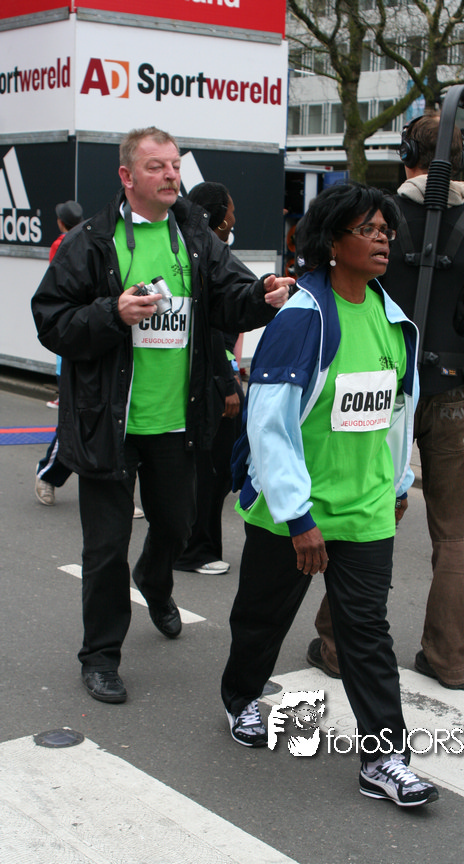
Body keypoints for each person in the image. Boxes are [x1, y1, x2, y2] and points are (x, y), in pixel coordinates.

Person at [31, 126, 292, 704]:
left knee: (177, 526)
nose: (172, 175)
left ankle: (153, 577)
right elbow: (51, 320)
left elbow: (231, 299)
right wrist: (112, 313)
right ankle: (101, 656)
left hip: (178, 422)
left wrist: (264, 295)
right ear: (127, 177)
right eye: (157, 167)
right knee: (106, 548)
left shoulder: (194, 235)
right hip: (110, 424)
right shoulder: (93, 242)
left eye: (174, 165)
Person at [307, 112, 464, 690]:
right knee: (456, 531)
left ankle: (339, 646)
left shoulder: (378, 218)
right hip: (453, 389)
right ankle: (448, 659)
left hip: (380, 381)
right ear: (462, 163)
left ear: (404, 156)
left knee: (364, 512)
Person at [222, 182, 440, 808]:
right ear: (332, 242)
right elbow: (269, 426)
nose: (383, 239)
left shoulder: (393, 320)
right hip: (293, 512)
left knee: (366, 632)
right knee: (263, 617)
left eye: (386, 230)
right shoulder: (301, 320)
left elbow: (397, 411)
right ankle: (242, 697)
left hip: (366, 510)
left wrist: (398, 484)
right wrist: (297, 517)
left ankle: (385, 758)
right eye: (368, 229)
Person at [174, 181, 242, 575]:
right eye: (231, 210)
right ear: (218, 217)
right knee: (210, 470)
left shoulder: (199, 250)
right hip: (211, 382)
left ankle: (193, 545)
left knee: (207, 469)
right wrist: (228, 384)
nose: (235, 217)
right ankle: (195, 550)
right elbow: (211, 329)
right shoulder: (205, 256)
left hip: (204, 378)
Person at [34, 201, 84, 504]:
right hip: (76, 346)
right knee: (75, 424)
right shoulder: (65, 245)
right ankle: (48, 474)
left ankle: (121, 495)